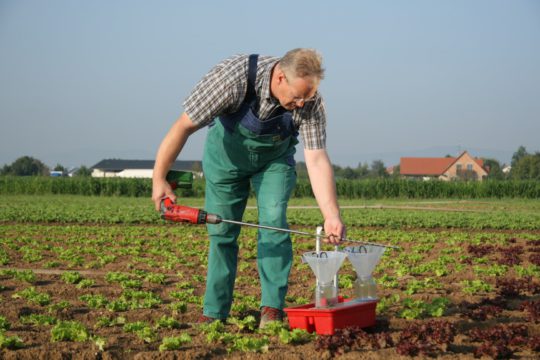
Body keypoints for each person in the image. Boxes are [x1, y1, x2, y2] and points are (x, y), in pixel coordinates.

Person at [152, 48, 345, 328]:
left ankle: (271, 309)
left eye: (308, 96)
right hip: (226, 158)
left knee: (274, 223)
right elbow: (183, 126)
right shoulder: (232, 79)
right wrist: (159, 177)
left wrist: (331, 215)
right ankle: (215, 312)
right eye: (298, 96)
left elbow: (315, 159)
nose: (303, 103)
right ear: (280, 77)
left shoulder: (311, 102)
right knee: (222, 232)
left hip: (274, 160)